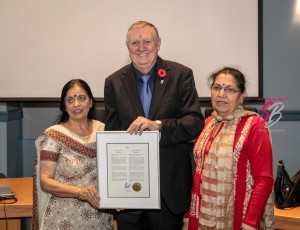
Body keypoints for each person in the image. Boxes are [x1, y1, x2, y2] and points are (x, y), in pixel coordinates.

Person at [104, 21, 204, 229]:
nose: (141, 48)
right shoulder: (113, 82)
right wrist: (113, 192)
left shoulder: (181, 75)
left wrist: (158, 127)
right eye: (135, 43)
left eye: (147, 41)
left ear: (158, 43)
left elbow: (194, 122)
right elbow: (112, 136)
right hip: (128, 193)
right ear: (127, 47)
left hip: (167, 191)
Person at [186, 67, 274, 230]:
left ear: (241, 97)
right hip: (201, 218)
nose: (221, 94)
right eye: (217, 87)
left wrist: (250, 223)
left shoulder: (255, 125)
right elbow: (196, 174)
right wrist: (187, 216)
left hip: (237, 219)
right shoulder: (206, 125)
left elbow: (264, 180)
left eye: (230, 89)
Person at [32, 79, 113, 229]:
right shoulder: (54, 136)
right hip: (62, 218)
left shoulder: (105, 131)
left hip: (99, 218)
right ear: (64, 106)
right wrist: (79, 192)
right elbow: (45, 181)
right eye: (70, 100)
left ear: (91, 102)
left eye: (81, 98)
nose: (76, 104)